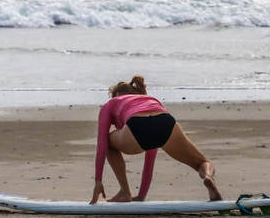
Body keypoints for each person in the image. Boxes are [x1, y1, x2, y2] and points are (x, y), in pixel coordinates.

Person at [91, 75, 221, 204]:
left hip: (136, 123)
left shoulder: (110, 103)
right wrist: (141, 195)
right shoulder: (149, 99)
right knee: (201, 162)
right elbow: (150, 157)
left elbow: (101, 144)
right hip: (165, 121)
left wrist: (98, 181)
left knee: (108, 143)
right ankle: (208, 176)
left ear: (117, 94)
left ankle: (125, 192)